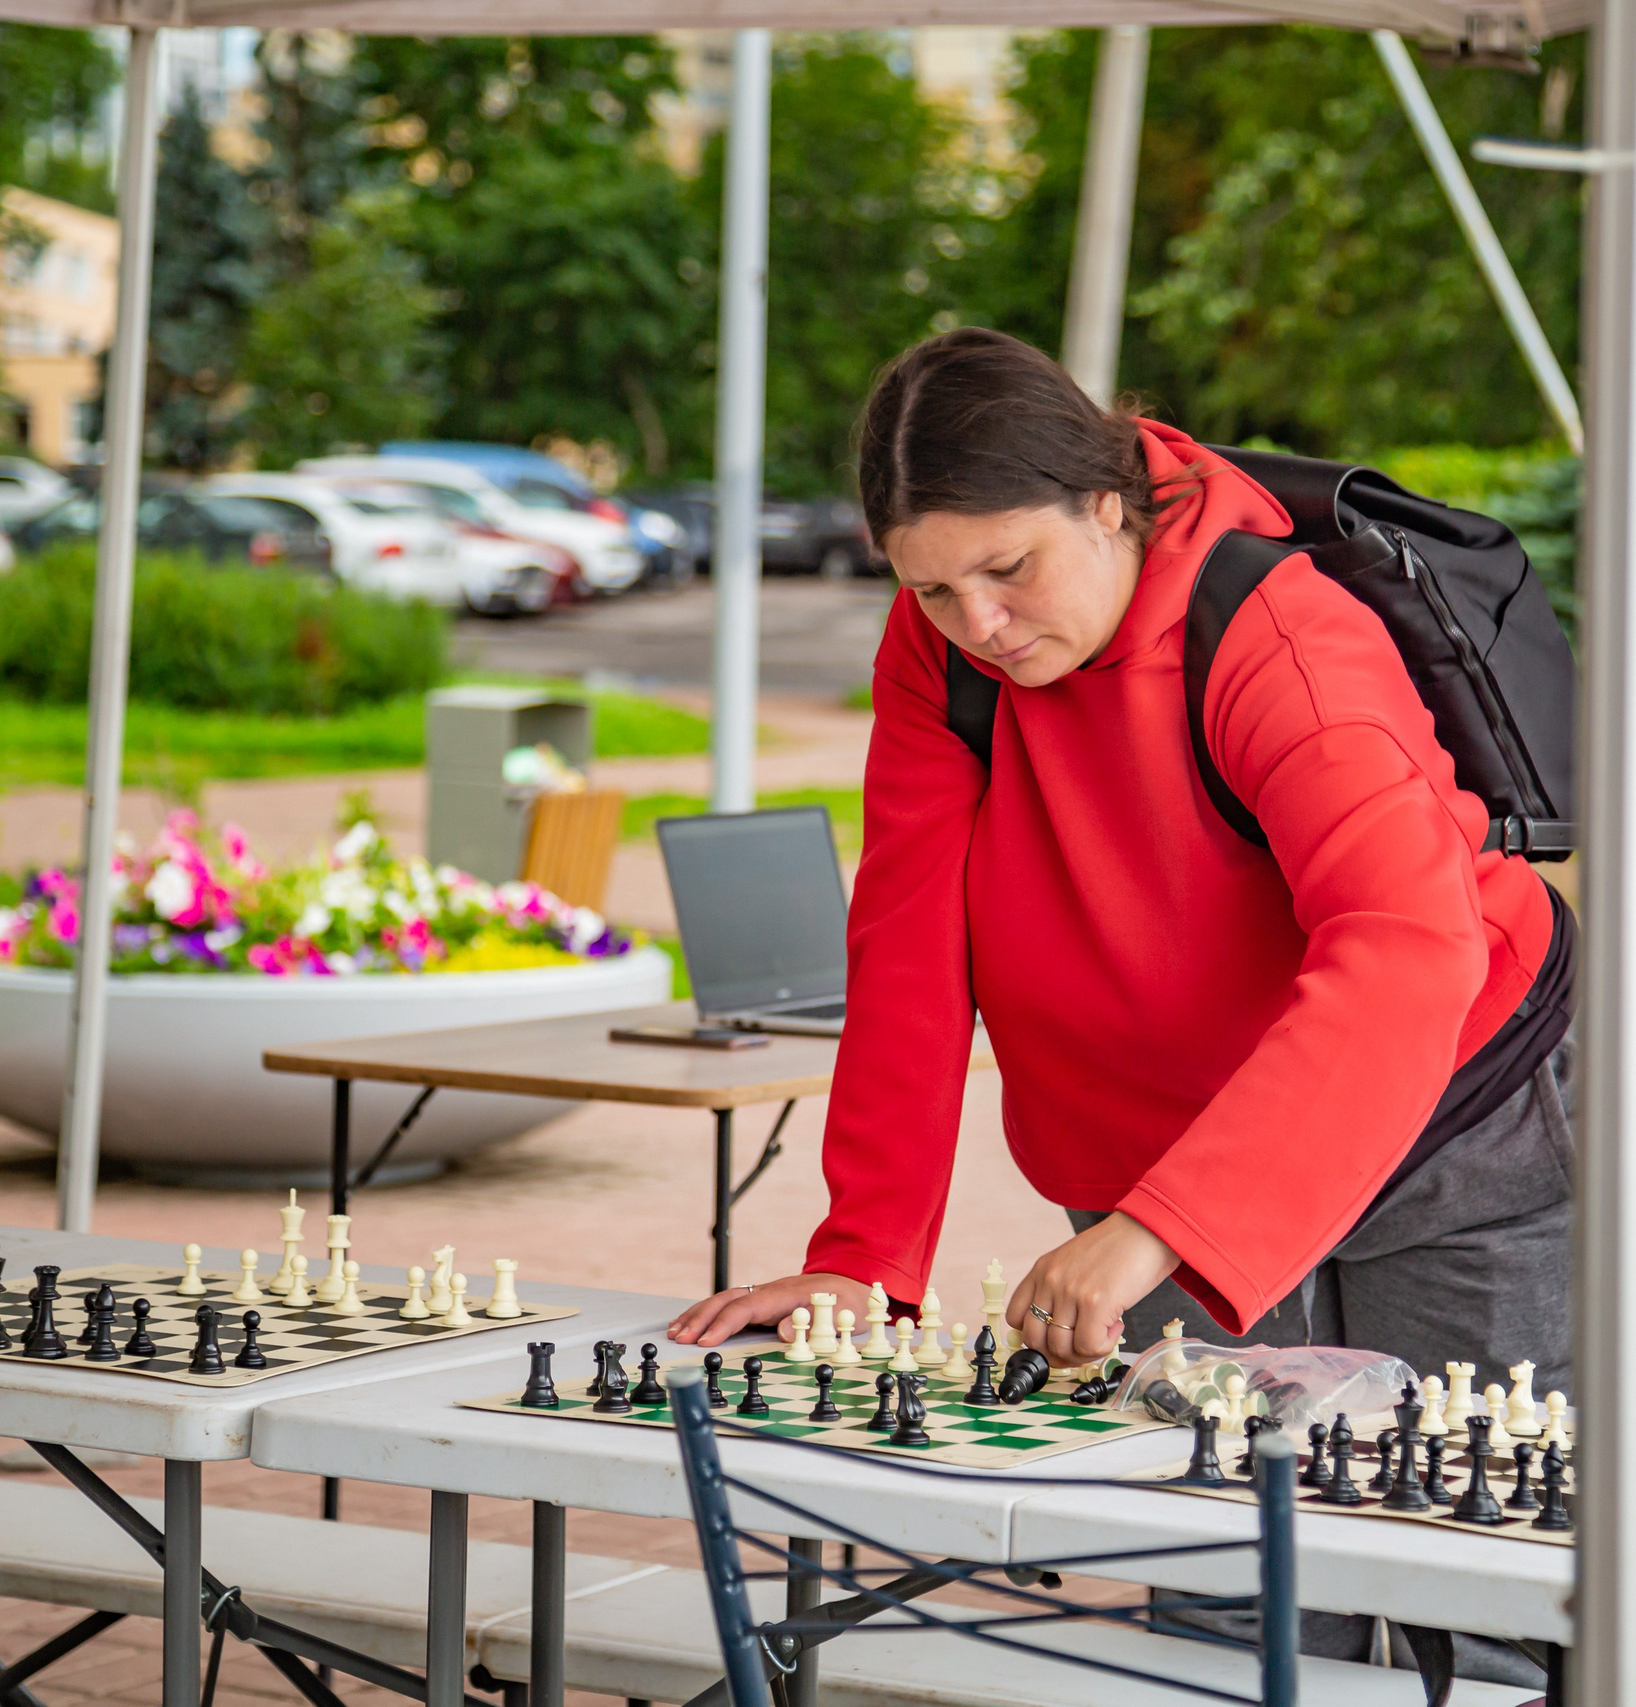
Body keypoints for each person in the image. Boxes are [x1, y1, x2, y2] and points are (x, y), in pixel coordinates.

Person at [668, 328, 1576, 1692]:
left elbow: (1402, 949)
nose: (979, 623)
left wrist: (1152, 1234)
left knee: (1473, 1572)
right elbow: (912, 952)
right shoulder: (943, 654)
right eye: (932, 588)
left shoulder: (1281, 632)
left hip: (1454, 1115)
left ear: (1112, 503)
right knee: (1225, 1594)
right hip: (1164, 1148)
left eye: (1009, 570)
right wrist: (865, 1254)